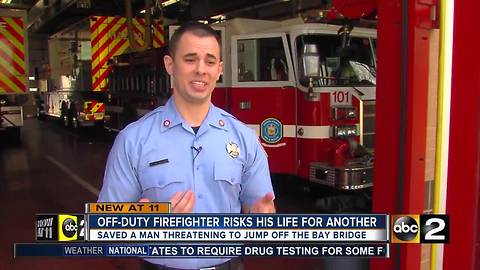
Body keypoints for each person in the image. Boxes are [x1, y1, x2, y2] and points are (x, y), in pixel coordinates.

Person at [98, 22, 275, 270]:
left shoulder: (244, 138)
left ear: (220, 69)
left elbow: (263, 220)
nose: (201, 70)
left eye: (210, 61)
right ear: (170, 65)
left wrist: (263, 223)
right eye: (190, 60)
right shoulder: (133, 139)